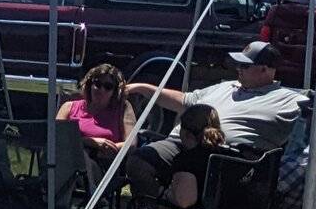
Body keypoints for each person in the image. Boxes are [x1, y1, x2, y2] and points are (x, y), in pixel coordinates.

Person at [123, 41, 303, 193]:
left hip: (226, 160)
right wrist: (142, 88)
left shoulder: (289, 99)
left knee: (201, 175)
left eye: (245, 65)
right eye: (238, 64)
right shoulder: (226, 86)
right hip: (181, 143)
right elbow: (184, 100)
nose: (238, 69)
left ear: (266, 70)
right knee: (140, 160)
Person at [59, 61, 133, 170]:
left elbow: (131, 144)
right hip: (70, 157)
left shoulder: (122, 109)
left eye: (108, 86)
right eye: (98, 84)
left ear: (114, 91)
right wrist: (90, 142)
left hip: (103, 162)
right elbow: (57, 137)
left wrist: (107, 148)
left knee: (84, 160)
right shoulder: (69, 107)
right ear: (90, 85)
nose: (101, 90)